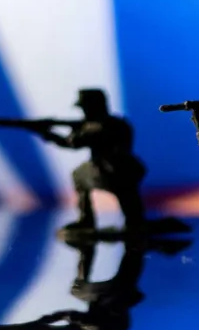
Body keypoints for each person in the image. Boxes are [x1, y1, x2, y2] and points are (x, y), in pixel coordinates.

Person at [0, 241, 147, 330]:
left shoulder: (103, 329)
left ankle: (91, 251)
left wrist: (5, 329)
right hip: (113, 291)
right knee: (83, 288)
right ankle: (93, 250)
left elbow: (45, 328)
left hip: (106, 292)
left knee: (80, 288)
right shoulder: (99, 327)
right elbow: (52, 326)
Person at [39, 89, 146, 232]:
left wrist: (49, 135)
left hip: (108, 171)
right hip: (129, 169)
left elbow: (72, 143)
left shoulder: (98, 127)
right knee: (129, 198)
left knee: (79, 175)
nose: (84, 112)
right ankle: (135, 222)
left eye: (85, 108)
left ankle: (86, 220)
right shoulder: (119, 123)